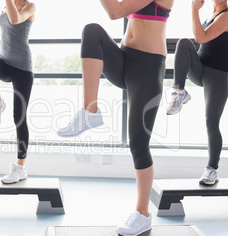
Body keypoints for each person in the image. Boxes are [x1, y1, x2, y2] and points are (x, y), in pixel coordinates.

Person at [57, 0, 174, 235]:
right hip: (124, 58)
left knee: (139, 145)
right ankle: (90, 110)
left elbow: (115, 11)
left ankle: (143, 214)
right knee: (92, 31)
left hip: (148, 68)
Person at [166, 0, 228, 186]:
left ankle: (212, 169)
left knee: (211, 122)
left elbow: (201, 38)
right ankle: (179, 92)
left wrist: (193, 9)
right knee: (183, 43)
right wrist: (196, 11)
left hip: (218, 75)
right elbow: (196, 41)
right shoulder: (210, 15)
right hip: (201, 69)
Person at [0, 0, 36, 184]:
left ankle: (20, 167)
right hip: (4, 64)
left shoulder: (29, 7)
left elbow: (14, 20)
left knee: (19, 117)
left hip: (22, 69)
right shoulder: (6, 6)